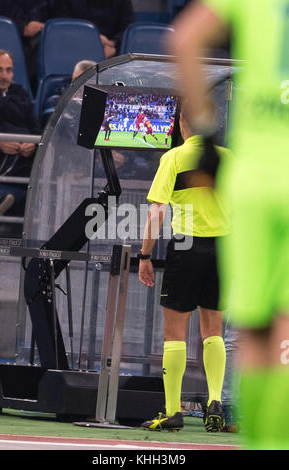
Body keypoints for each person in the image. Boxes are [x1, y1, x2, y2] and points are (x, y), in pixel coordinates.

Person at [170, 0, 289, 450]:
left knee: (254, 328)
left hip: (251, 186)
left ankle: (259, 441)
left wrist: (205, 136)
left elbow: (183, 38)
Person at [138, 110, 232, 432]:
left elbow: (157, 213)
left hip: (187, 244)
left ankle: (172, 411)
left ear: (181, 124)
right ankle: (216, 401)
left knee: (174, 334)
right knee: (213, 329)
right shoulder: (229, 158)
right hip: (223, 247)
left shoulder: (174, 157)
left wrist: (144, 255)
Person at [0, 49, 41, 215]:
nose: (4, 75)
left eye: (8, 70)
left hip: (21, 160)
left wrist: (32, 145)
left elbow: (36, 130)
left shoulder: (20, 92)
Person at [50, 0, 134, 59]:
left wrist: (112, 43)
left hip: (113, 52)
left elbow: (128, 28)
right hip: (76, 52)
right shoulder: (65, 2)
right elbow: (64, 28)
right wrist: (95, 41)